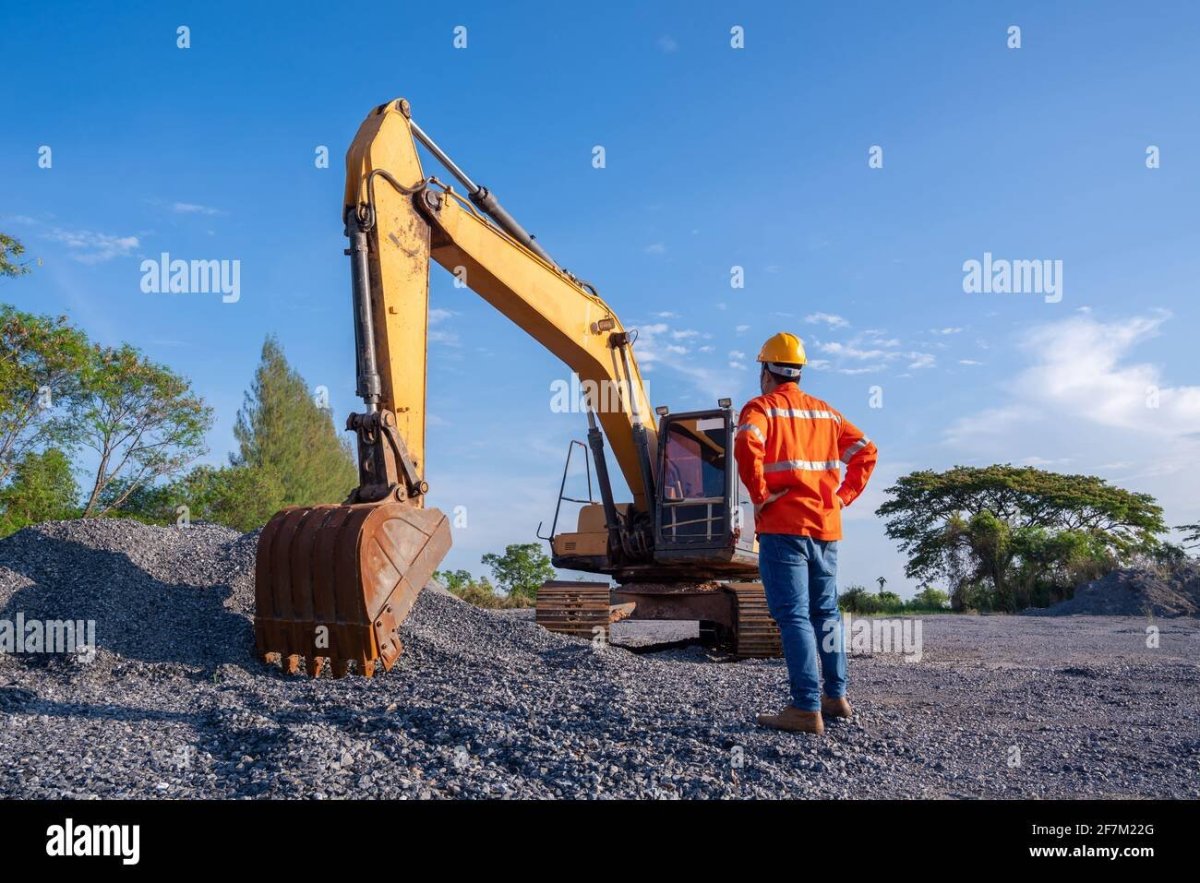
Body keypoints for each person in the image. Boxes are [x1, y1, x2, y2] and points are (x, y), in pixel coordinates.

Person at [734, 332, 878, 734]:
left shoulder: (761, 407)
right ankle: (836, 697)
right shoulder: (826, 414)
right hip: (826, 528)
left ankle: (804, 707)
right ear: (797, 372)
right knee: (826, 613)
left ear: (766, 371)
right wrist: (843, 497)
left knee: (794, 615)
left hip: (784, 527)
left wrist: (760, 494)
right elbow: (868, 450)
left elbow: (746, 440)